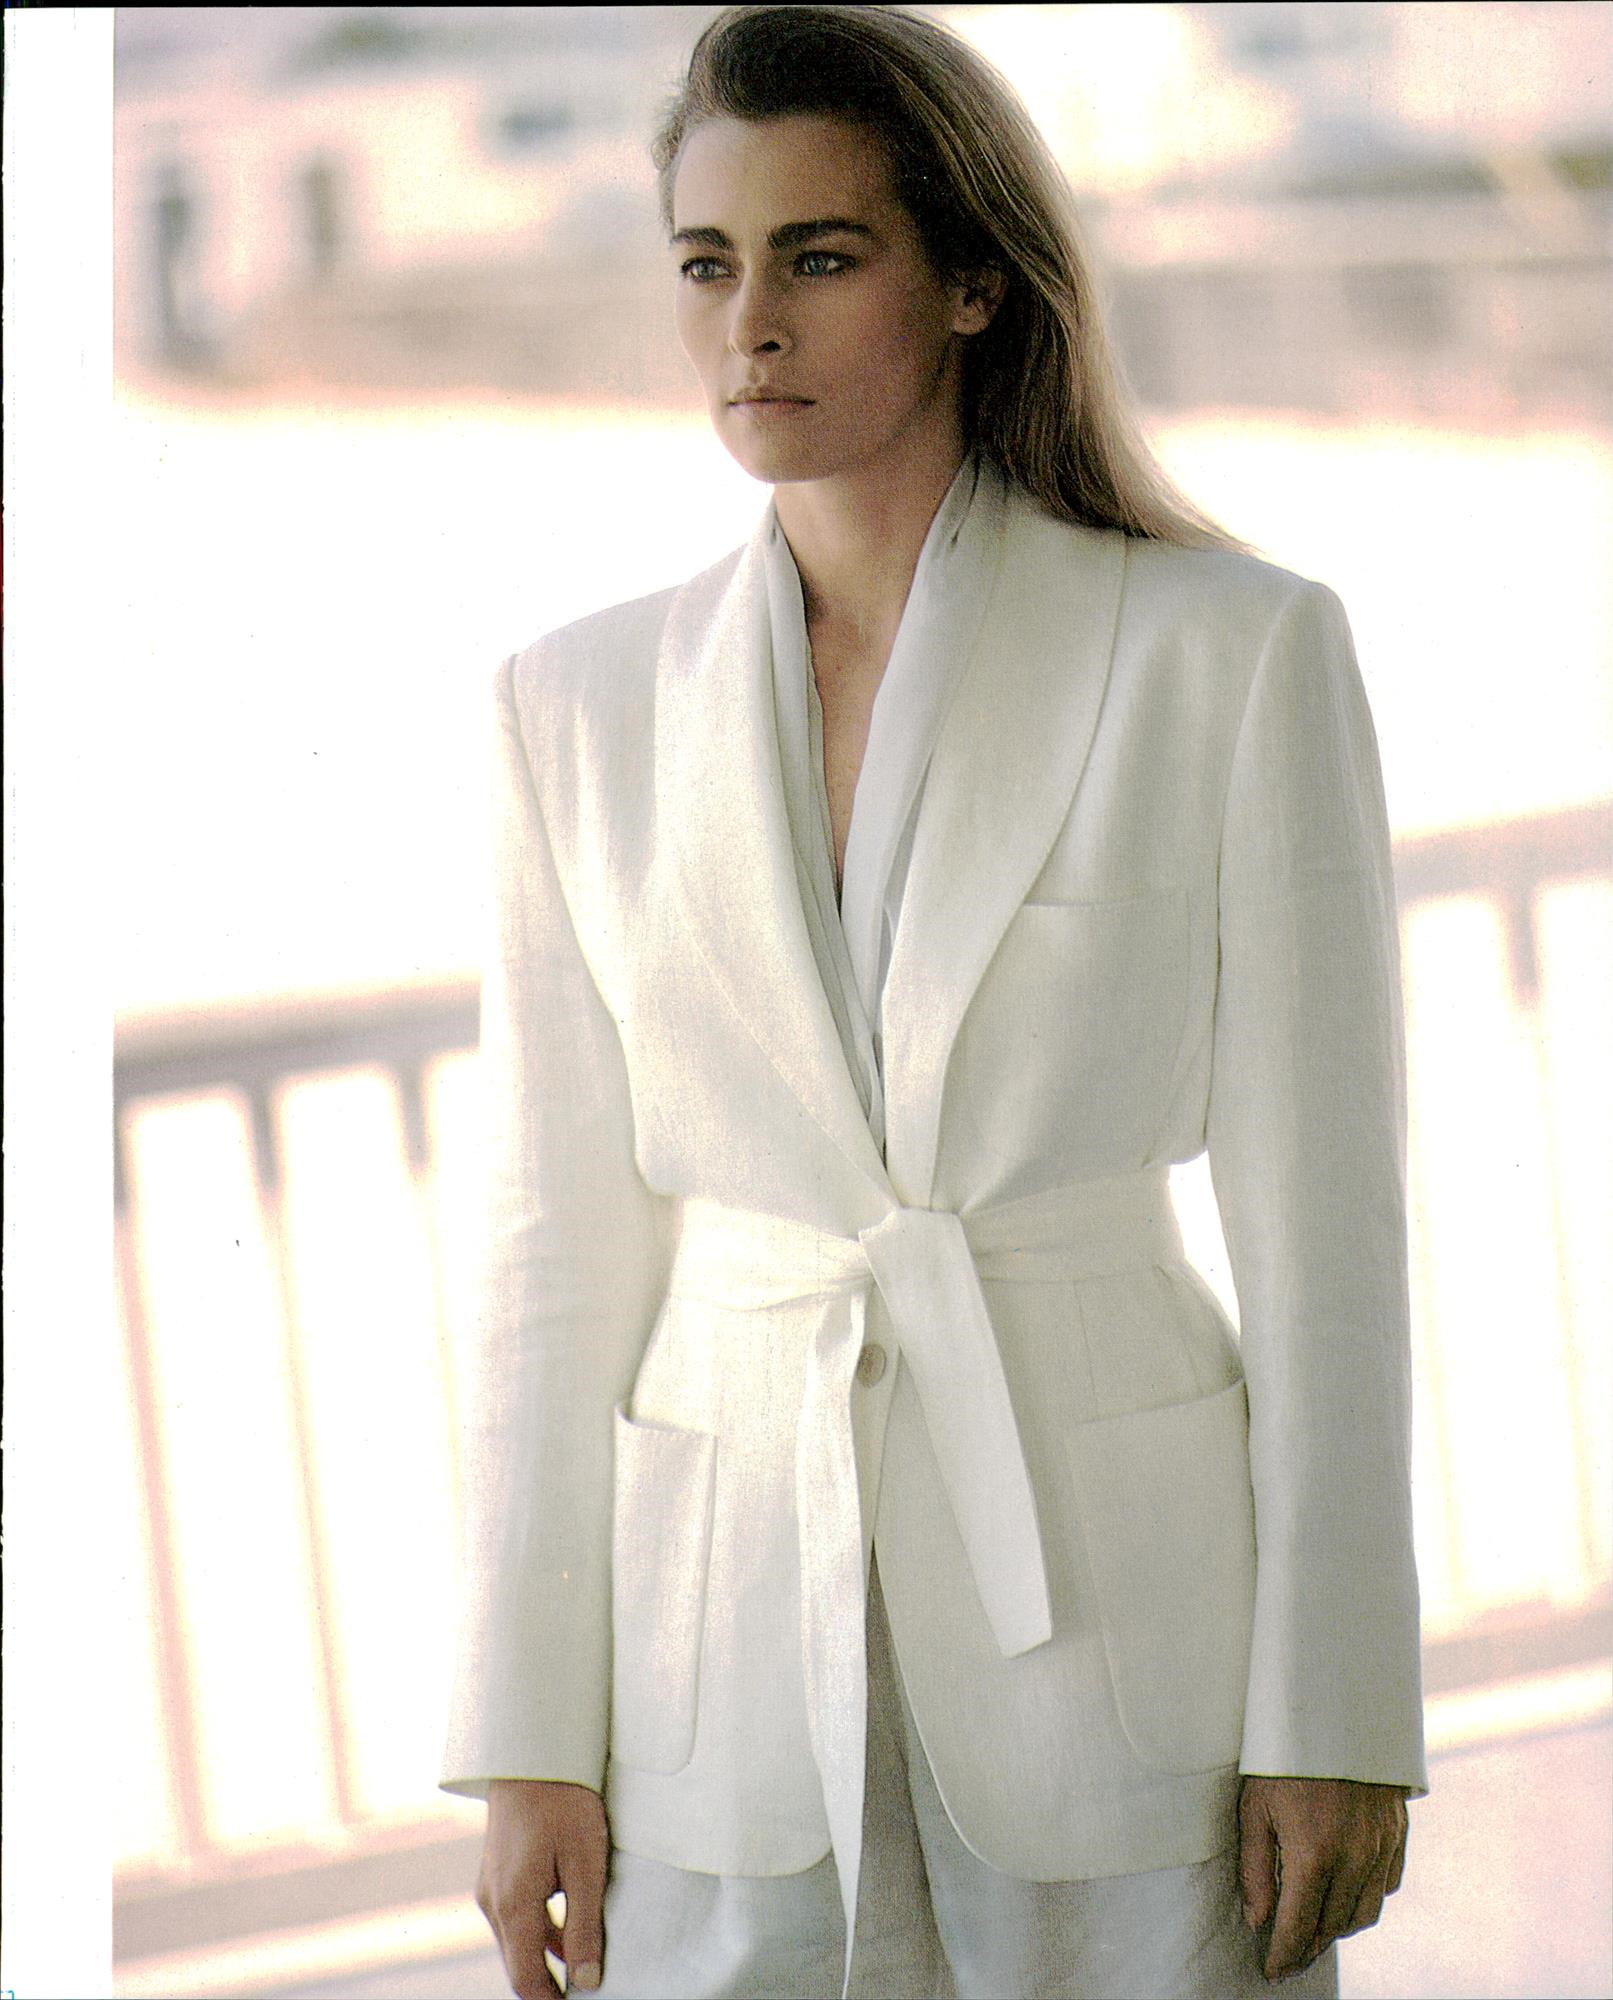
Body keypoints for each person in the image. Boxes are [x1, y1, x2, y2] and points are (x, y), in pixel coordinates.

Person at [440, 8, 1427, 1996]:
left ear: (972, 279)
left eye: (819, 256)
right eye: (706, 264)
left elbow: (1325, 1231)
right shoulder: (577, 708)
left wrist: (1334, 1709)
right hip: (718, 1656)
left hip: (1127, 1641)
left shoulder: (1227, 655)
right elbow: (556, 1251)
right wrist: (529, 1735)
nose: (749, 326)